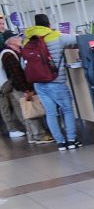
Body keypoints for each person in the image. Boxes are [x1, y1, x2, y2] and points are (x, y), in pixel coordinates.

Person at [22, 14, 79, 150]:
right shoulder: (55, 36)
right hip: (56, 81)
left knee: (51, 113)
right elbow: (78, 40)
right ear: (48, 24)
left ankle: (60, 143)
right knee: (67, 110)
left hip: (39, 83)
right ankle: (71, 140)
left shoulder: (27, 40)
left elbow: (24, 65)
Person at [0, 32, 54, 144]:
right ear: (10, 41)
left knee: (26, 111)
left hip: (19, 87)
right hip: (20, 88)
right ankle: (39, 135)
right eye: (16, 37)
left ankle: (32, 136)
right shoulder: (8, 55)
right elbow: (16, 74)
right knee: (31, 111)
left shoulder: (14, 52)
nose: (19, 39)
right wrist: (26, 89)